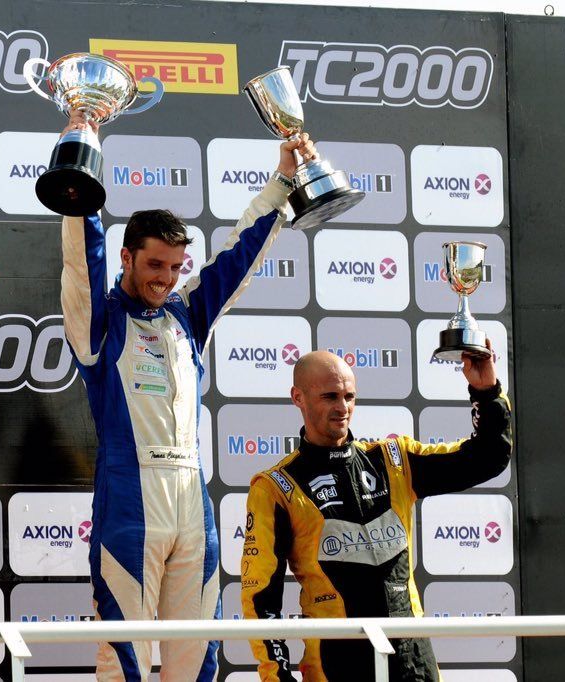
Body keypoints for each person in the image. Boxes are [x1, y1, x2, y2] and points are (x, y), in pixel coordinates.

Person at [60, 108, 316, 681]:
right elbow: (81, 261)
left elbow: (240, 257)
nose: (166, 278)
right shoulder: (99, 322)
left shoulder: (187, 313)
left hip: (192, 504)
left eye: (176, 267)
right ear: (127, 257)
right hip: (129, 501)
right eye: (155, 264)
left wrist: (281, 181)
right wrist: (82, 160)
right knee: (124, 659)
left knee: (198, 660)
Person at [241, 346, 512, 681]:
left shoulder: (394, 461)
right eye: (330, 396)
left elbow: (487, 458)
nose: (343, 407)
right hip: (337, 666)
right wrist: (277, 677)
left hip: (414, 662)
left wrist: (486, 391)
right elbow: (261, 599)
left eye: (349, 396)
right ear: (298, 397)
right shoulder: (276, 487)